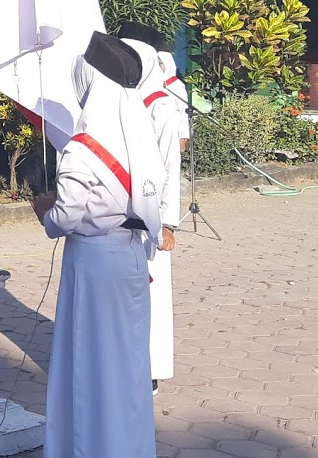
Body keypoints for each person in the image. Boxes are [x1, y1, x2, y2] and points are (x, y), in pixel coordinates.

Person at [28, 32, 163, 458]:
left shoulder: (81, 149)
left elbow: (66, 216)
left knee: (88, 365)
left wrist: (45, 214)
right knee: (128, 366)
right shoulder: (141, 137)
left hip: (92, 263)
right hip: (131, 256)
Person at [119, 22, 188, 393]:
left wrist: (168, 222)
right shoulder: (114, 98)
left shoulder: (161, 105)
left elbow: (170, 166)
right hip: (113, 215)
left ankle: (150, 369)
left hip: (150, 219)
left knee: (152, 292)